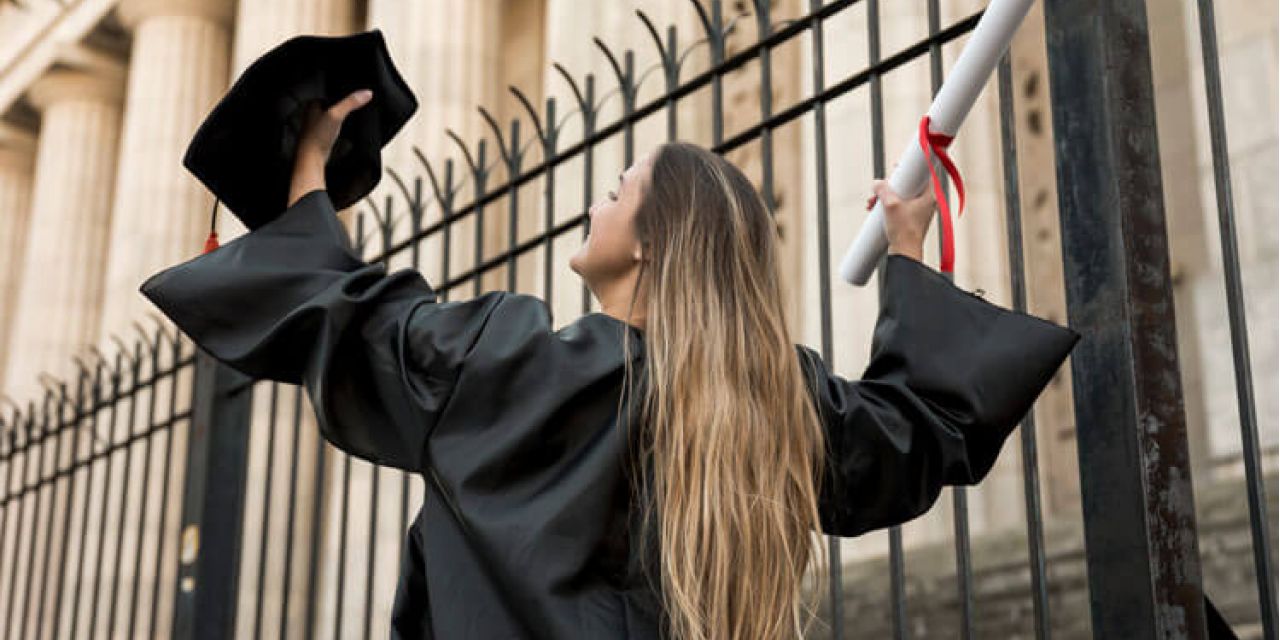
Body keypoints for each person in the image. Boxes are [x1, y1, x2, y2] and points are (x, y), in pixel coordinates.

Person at [140, 90, 1078, 639]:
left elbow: (354, 324)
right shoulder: (781, 409)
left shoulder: (522, 367)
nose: (598, 201)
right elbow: (925, 426)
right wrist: (908, 263)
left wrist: (308, 174)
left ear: (652, 245)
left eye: (619, 189)